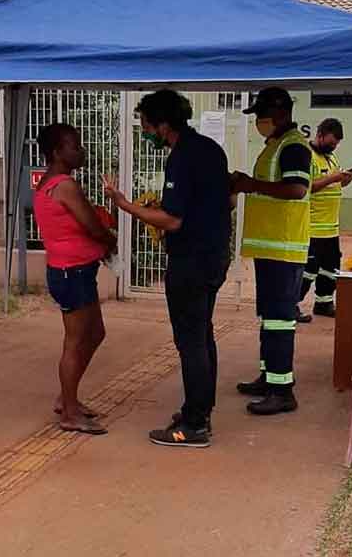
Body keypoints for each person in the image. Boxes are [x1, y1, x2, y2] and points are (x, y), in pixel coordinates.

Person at [104, 90, 232, 448]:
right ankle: (200, 411)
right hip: (213, 256)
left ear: (163, 124)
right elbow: (206, 203)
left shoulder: (182, 157)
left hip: (191, 260)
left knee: (190, 341)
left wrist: (125, 205)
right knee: (202, 336)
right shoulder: (209, 149)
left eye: (146, 125)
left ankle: (193, 426)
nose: (145, 131)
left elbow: (173, 221)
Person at [231, 87, 312, 416]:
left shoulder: (293, 146)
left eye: (261, 116)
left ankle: (282, 391)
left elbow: (296, 188)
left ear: (280, 112)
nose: (259, 123)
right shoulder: (275, 145)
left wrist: (251, 185)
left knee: (280, 321)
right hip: (271, 249)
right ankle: (269, 376)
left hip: (284, 249)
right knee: (269, 318)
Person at [33, 124, 117, 435]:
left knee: (95, 334)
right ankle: (68, 411)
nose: (80, 151)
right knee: (76, 341)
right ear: (57, 152)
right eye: (74, 146)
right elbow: (91, 225)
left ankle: (67, 397)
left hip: (75, 270)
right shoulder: (65, 185)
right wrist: (110, 241)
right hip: (71, 272)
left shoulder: (47, 184)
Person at [300, 118, 352, 317]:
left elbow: (334, 186)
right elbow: (307, 187)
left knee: (330, 269)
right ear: (320, 135)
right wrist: (334, 177)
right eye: (331, 143)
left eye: (337, 144)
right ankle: (292, 305)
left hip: (331, 228)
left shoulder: (331, 158)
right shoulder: (307, 157)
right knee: (308, 270)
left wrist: (345, 180)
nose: (334, 147)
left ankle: (324, 303)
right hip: (312, 227)